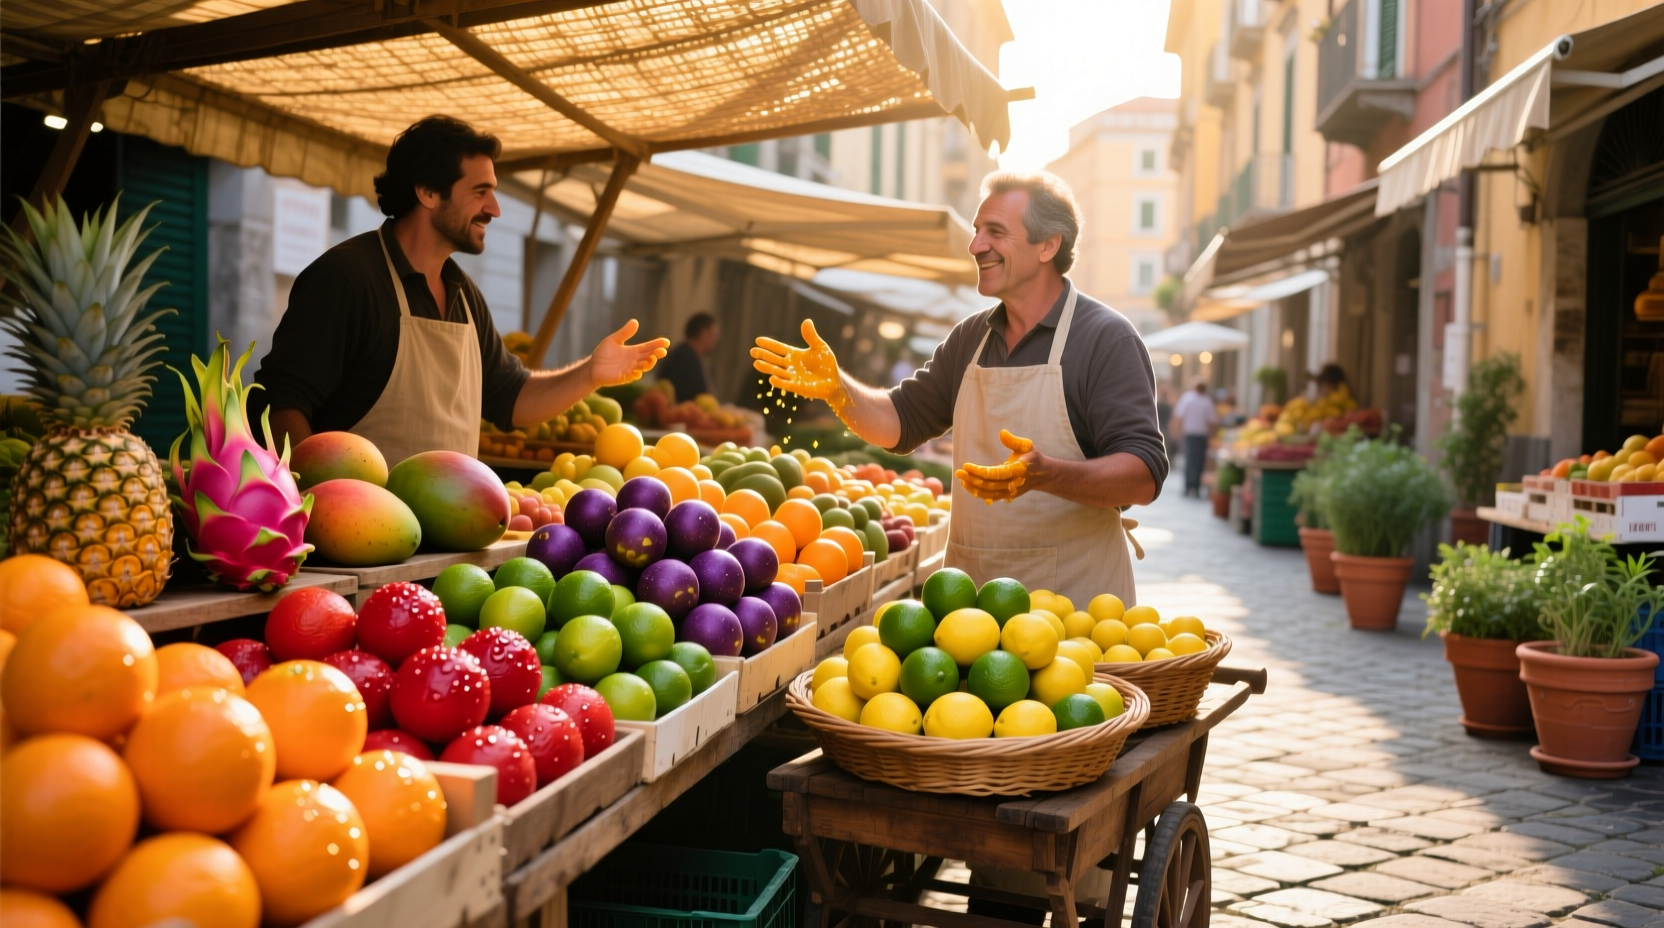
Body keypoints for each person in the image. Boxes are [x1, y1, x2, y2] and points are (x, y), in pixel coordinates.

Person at [751, 171, 1168, 610]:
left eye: (996, 232)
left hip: (1076, 612)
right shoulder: (970, 338)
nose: (976, 246)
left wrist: (1048, 474)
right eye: (976, 231)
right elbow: (900, 421)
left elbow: (1142, 475)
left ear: (1048, 246)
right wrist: (839, 391)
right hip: (971, 614)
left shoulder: (1105, 339)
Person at [257, 116, 667, 464]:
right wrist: (320, 494)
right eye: (480, 192)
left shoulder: (464, 295)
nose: (495, 209)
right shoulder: (346, 278)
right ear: (428, 192)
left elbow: (511, 398)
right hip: (354, 544)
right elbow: (280, 404)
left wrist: (590, 373)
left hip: (446, 543)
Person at [656, 312, 719, 403]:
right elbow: (701, 398)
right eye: (714, 335)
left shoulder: (683, 353)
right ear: (704, 333)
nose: (716, 341)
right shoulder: (686, 359)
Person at [1171, 380, 1218, 497]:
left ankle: (1189, 487)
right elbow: (1212, 421)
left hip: (1191, 434)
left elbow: (1178, 416)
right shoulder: (1206, 401)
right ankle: (1195, 487)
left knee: (1190, 460)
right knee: (1198, 461)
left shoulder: (1187, 398)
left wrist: (1176, 431)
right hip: (1200, 435)